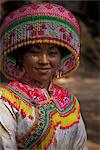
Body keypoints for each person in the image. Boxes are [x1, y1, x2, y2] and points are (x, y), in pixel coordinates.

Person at [0, 3, 88, 150]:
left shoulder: (70, 102)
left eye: (52, 53)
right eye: (34, 52)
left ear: (60, 57)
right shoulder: (6, 100)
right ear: (21, 57)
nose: (44, 61)